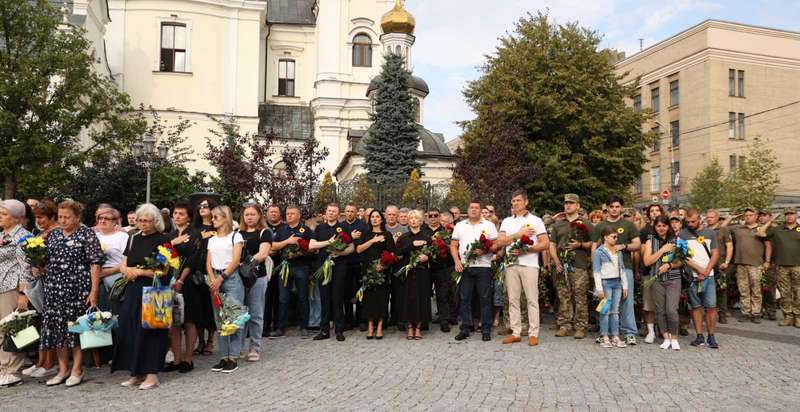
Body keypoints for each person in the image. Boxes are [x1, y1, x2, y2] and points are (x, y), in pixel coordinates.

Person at [40, 200, 103, 387]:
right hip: (54, 289)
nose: (63, 220)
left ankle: (77, 369)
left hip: (77, 289)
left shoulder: (87, 234)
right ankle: (62, 369)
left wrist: (94, 291)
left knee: (75, 330)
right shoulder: (53, 235)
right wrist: (39, 266)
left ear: (77, 217)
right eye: (60, 217)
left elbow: (95, 264)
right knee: (58, 330)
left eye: (67, 217)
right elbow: (47, 260)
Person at [113, 204, 171, 389]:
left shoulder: (164, 240)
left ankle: (152, 374)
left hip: (153, 291)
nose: (143, 223)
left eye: (147, 220)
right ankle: (136, 372)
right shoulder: (133, 239)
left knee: (151, 331)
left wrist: (140, 272)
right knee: (130, 329)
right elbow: (123, 263)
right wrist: (126, 270)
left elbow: (164, 271)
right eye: (140, 220)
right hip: (133, 290)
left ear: (156, 221)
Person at [497, 191, 549, 346]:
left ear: (526, 202)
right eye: (513, 201)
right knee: (513, 300)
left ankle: (534, 333)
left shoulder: (536, 220)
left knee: (532, 299)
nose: (515, 203)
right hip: (511, 264)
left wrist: (527, 250)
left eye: (518, 200)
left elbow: (545, 243)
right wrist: (518, 235)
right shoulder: (506, 221)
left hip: (530, 264)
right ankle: (516, 332)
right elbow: (500, 242)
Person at [591, 195, 640, 346]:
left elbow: (637, 244)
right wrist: (595, 267)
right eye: (611, 207)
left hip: (624, 269)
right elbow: (594, 246)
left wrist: (623, 246)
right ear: (607, 208)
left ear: (621, 208)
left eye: (617, 207)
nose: (614, 209)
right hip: (605, 274)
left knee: (626, 301)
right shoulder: (600, 226)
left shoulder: (628, 224)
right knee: (605, 303)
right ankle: (605, 333)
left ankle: (630, 332)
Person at [20, 200, 58, 379]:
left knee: (49, 322)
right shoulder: (41, 233)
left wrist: (44, 266)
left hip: (54, 281)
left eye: (42, 217)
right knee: (43, 321)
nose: (39, 221)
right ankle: (41, 361)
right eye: (36, 217)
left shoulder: (55, 233)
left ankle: (50, 362)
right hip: (41, 280)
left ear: (52, 217)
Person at [452, 201, 500, 342]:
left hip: (484, 266)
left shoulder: (489, 225)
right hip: (466, 266)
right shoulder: (460, 226)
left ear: (481, 211)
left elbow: (496, 244)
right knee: (465, 297)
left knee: (485, 298)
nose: (474, 210)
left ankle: (486, 328)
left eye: (476, 208)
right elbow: (454, 245)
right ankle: (465, 328)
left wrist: (485, 250)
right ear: (467, 210)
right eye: (471, 208)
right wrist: (457, 261)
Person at [207, 205, 245, 373]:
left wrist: (221, 278)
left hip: (231, 279)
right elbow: (208, 261)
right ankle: (223, 356)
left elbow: (236, 260)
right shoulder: (212, 239)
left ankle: (233, 357)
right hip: (215, 278)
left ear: (225, 218)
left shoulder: (236, 237)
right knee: (219, 319)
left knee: (234, 318)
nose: (213, 220)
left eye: (216, 217)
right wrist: (213, 279)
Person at [549, 194, 592, 340]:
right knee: (563, 296)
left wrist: (580, 245)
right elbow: (552, 244)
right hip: (561, 266)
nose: (568, 205)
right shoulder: (558, 224)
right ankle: (564, 325)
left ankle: (580, 326)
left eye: (571, 203)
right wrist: (556, 261)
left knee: (580, 296)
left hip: (579, 265)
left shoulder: (586, 223)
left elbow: (594, 243)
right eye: (566, 203)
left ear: (578, 206)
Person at [310, 203, 355, 342]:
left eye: (334, 211)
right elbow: (312, 245)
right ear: (326, 213)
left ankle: (339, 330)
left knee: (338, 298)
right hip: (323, 266)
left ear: (338, 213)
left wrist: (340, 253)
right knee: (324, 298)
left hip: (339, 266)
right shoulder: (319, 228)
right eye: (329, 211)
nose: (331, 213)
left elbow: (352, 247)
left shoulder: (344, 227)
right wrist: (328, 242)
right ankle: (324, 330)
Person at [0, 200, 33, 387]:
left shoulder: (23, 237)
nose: (0, 217)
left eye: (4, 214)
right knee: (1, 330)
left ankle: (12, 370)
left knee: (14, 329)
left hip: (12, 287)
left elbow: (25, 267)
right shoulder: (3, 234)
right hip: (1, 285)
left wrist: (23, 293)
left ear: (17, 217)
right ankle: (3, 367)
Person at [165, 202, 200, 373]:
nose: (177, 216)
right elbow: (162, 254)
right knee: (173, 322)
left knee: (188, 320)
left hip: (188, 281)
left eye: (181, 213)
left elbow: (193, 258)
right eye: (175, 213)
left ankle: (188, 359)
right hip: (170, 279)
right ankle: (176, 359)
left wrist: (181, 280)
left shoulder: (194, 234)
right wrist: (172, 242)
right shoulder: (170, 234)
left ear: (189, 216)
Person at [680, 209, 720, 348]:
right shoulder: (683, 234)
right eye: (688, 222)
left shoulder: (710, 233)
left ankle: (711, 336)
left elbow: (715, 254)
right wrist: (699, 270)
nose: (690, 224)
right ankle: (699, 336)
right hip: (692, 277)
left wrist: (706, 271)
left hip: (708, 276)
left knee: (711, 307)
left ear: (700, 219)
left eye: (693, 221)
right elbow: (684, 256)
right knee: (696, 307)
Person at [272, 205, 313, 337]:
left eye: (292, 214)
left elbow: (312, 248)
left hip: (301, 266)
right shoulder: (282, 230)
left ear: (299, 215)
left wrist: (301, 249)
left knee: (303, 297)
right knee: (283, 298)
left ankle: (304, 326)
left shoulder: (305, 230)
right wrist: (287, 241)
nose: (289, 216)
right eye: (287, 214)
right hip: (285, 266)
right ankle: (281, 327)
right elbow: (273, 245)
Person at [238, 203, 272, 360]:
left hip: (257, 277)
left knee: (256, 312)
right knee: (240, 312)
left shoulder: (264, 232)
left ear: (259, 215)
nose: (249, 217)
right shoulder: (238, 233)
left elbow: (263, 253)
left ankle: (254, 347)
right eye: (246, 214)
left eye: (252, 214)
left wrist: (246, 263)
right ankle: (237, 347)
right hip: (239, 277)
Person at [643, 216, 682, 350]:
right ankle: (666, 337)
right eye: (658, 226)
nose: (661, 228)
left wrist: (670, 265)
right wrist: (662, 250)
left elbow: (681, 261)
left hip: (673, 279)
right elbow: (647, 261)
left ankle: (674, 337)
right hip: (657, 279)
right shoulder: (650, 241)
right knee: (660, 311)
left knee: (671, 309)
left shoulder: (675, 240)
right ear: (654, 227)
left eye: (664, 226)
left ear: (668, 226)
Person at [356, 210, 395, 339]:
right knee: (369, 299)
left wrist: (383, 265)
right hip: (368, 270)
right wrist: (373, 240)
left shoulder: (387, 234)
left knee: (381, 299)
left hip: (382, 271)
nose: (374, 219)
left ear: (381, 219)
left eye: (377, 217)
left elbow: (392, 254)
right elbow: (359, 249)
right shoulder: (366, 234)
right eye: (372, 217)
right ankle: (370, 326)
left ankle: (379, 326)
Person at [395, 210, 433, 340]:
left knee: (421, 298)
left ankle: (419, 328)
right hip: (408, 273)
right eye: (411, 218)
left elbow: (434, 255)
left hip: (422, 273)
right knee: (408, 299)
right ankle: (410, 327)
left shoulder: (427, 237)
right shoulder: (403, 238)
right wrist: (411, 245)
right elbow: (398, 253)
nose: (413, 220)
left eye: (416, 218)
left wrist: (427, 257)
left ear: (420, 221)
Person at [729, 208, 770, 323]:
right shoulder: (738, 228)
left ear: (756, 216)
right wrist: (733, 217)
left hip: (756, 264)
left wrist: (767, 261)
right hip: (741, 264)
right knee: (743, 290)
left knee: (756, 290)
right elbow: (722, 227)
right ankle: (745, 313)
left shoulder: (761, 229)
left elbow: (768, 245)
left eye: (750, 215)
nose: (748, 217)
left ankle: (756, 313)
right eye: (746, 215)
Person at [761, 208, 800, 327]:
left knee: (798, 292)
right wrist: (771, 220)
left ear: (796, 215)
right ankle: (788, 316)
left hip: (798, 266)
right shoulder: (778, 229)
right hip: (782, 266)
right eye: (787, 214)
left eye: (791, 214)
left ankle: (798, 317)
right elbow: (760, 233)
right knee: (784, 293)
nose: (789, 216)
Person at [593, 225, 629, 349]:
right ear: (605, 237)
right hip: (605, 283)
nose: (616, 239)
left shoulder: (618, 252)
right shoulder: (599, 252)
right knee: (605, 311)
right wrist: (599, 289)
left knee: (615, 311)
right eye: (613, 237)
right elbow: (596, 271)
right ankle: (604, 336)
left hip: (617, 283)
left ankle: (615, 335)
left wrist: (625, 286)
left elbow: (622, 269)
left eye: (617, 237)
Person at [423, 209, 455, 333]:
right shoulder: (423, 230)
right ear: (427, 217)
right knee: (425, 295)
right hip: (426, 268)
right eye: (430, 216)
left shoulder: (445, 231)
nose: (433, 218)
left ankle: (444, 321)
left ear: (439, 217)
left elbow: (451, 247)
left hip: (442, 267)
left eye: (435, 215)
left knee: (442, 295)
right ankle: (424, 320)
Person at [637, 204, 663, 343]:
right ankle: (651, 331)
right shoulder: (645, 230)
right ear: (648, 214)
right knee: (649, 303)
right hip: (648, 270)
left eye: (657, 210)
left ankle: (663, 329)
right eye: (651, 211)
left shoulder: (666, 227)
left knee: (664, 302)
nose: (654, 213)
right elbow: (641, 252)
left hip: (665, 271)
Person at [94, 207, 128, 310]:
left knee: (112, 311)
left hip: (115, 278)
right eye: (100, 218)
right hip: (94, 279)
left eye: (106, 218)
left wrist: (107, 272)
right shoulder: (93, 236)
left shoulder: (122, 236)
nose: (102, 221)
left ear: (115, 222)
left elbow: (127, 261)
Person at [341, 203, 368, 331]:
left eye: (352, 211)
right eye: (347, 211)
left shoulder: (363, 225)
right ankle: (348, 320)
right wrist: (351, 238)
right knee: (346, 293)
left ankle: (361, 320)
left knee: (360, 292)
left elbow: (365, 241)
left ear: (356, 212)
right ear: (344, 212)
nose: (350, 213)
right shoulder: (340, 226)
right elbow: (338, 241)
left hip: (359, 262)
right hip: (344, 263)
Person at [705, 209, 734, 324]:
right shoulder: (704, 230)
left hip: (720, 264)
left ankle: (722, 314)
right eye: (707, 217)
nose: (709, 219)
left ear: (717, 218)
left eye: (711, 217)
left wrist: (726, 262)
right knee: (707, 289)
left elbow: (729, 246)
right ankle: (710, 313)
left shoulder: (723, 229)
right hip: (707, 264)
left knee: (722, 289)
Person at [384, 205, 408, 327]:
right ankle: (383, 318)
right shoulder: (382, 228)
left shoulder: (404, 230)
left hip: (399, 265)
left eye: (394, 214)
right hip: (383, 266)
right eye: (389, 214)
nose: (392, 217)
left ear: (397, 216)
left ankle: (397, 318)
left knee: (398, 293)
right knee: (384, 293)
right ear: (385, 215)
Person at [264, 205, 285, 337]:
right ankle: (264, 327)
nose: (273, 214)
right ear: (267, 214)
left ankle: (278, 326)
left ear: (279, 214)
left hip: (281, 266)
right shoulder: (263, 227)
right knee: (266, 297)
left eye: (275, 212)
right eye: (271, 212)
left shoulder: (285, 227)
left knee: (279, 297)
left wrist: (272, 248)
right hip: (265, 267)